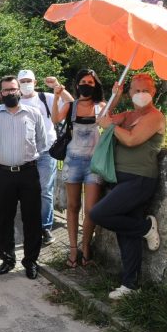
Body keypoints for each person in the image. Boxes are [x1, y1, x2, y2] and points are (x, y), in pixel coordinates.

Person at [90, 73, 164, 300]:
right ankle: (130, 285)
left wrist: (111, 127)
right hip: (121, 178)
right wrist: (115, 96)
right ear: (130, 93)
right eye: (136, 90)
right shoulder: (129, 114)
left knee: (99, 213)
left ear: (153, 93)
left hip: (140, 179)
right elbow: (103, 118)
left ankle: (145, 228)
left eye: (145, 90)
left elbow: (131, 139)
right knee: (125, 233)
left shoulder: (155, 116)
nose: (141, 94)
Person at [0, 76, 47, 279]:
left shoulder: (33, 113)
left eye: (13, 89)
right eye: (5, 90)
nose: (10, 93)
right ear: (1, 92)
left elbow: (42, 143)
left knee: (31, 218)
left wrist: (30, 160)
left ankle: (30, 261)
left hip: (28, 173)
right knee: (4, 218)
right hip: (4, 174)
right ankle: (7, 259)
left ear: (19, 91)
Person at [51, 69, 106, 268]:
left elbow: (111, 127)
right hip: (72, 162)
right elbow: (55, 120)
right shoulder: (71, 106)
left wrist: (116, 95)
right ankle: (74, 248)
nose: (86, 85)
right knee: (73, 207)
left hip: (94, 163)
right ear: (77, 84)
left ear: (96, 85)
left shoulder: (101, 107)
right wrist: (57, 97)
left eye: (90, 82)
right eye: (83, 81)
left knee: (91, 210)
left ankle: (86, 246)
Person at [17, 69, 62, 245]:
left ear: (35, 82)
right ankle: (29, 226)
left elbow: (70, 103)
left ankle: (45, 227)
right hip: (25, 153)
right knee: (26, 191)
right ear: (18, 84)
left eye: (29, 80)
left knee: (45, 191)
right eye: (23, 81)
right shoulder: (16, 101)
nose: (26, 84)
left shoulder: (46, 98)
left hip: (46, 151)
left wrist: (58, 87)